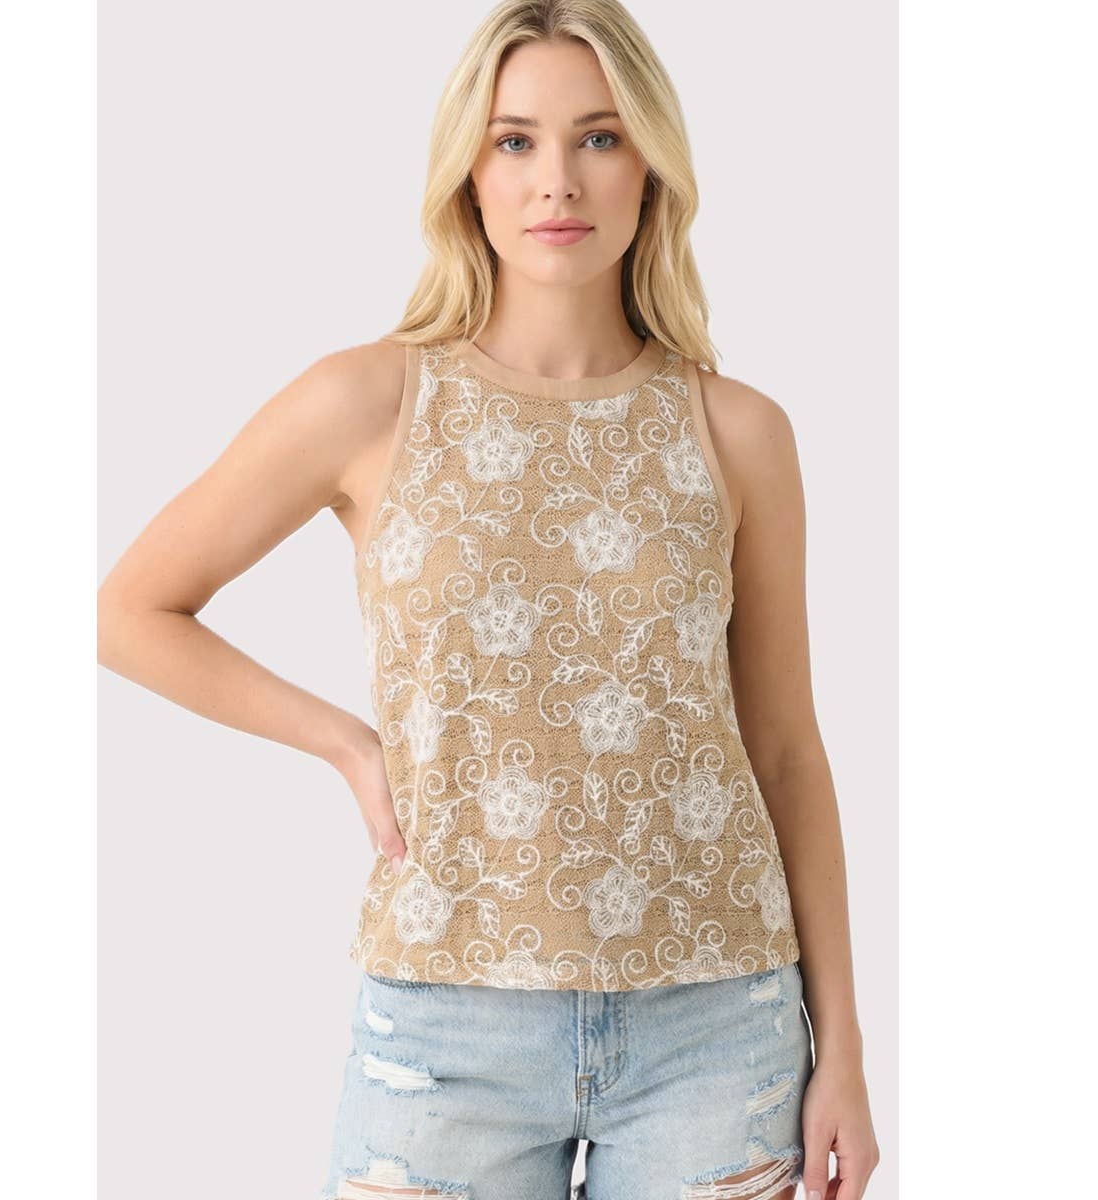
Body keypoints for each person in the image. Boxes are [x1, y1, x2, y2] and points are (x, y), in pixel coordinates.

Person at [97, 2, 881, 1197]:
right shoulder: (368, 402)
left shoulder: (739, 433)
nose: (557, 179)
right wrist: (348, 745)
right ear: (468, 171)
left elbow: (784, 747)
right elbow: (132, 611)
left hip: (719, 1026)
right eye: (516, 140)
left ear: (652, 166)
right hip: (444, 1027)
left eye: (600, 137)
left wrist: (848, 1051)